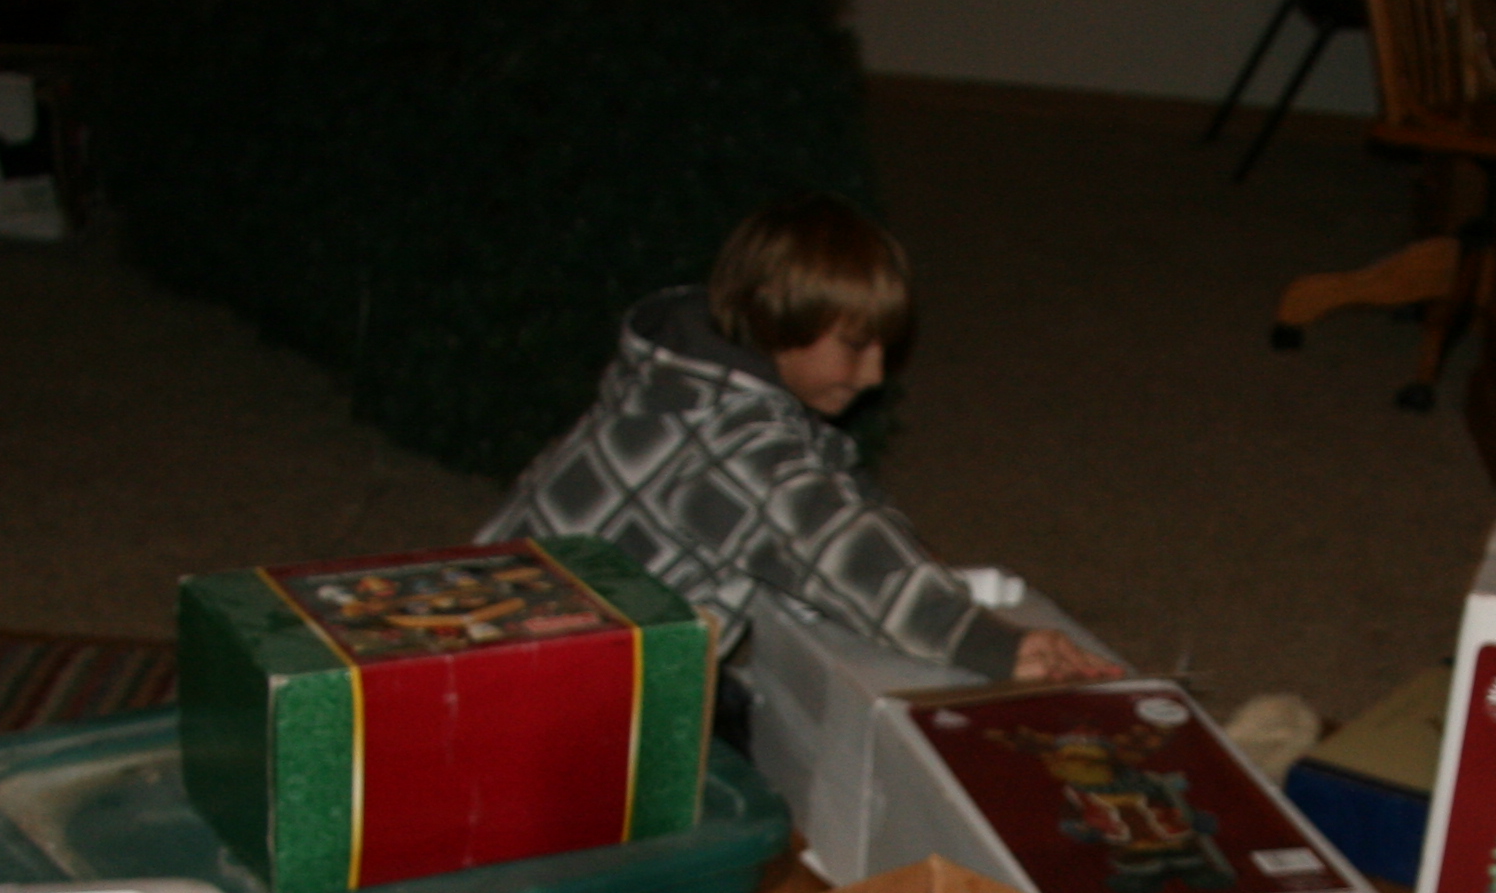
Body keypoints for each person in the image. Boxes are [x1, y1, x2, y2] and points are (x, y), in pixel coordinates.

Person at [477, 193, 1118, 683]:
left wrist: (914, 555)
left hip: (483, 617)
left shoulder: (685, 373)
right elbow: (832, 547)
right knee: (728, 794)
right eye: (855, 346)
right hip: (527, 682)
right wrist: (990, 643)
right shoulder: (731, 446)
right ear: (779, 314)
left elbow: (831, 482)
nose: (874, 374)